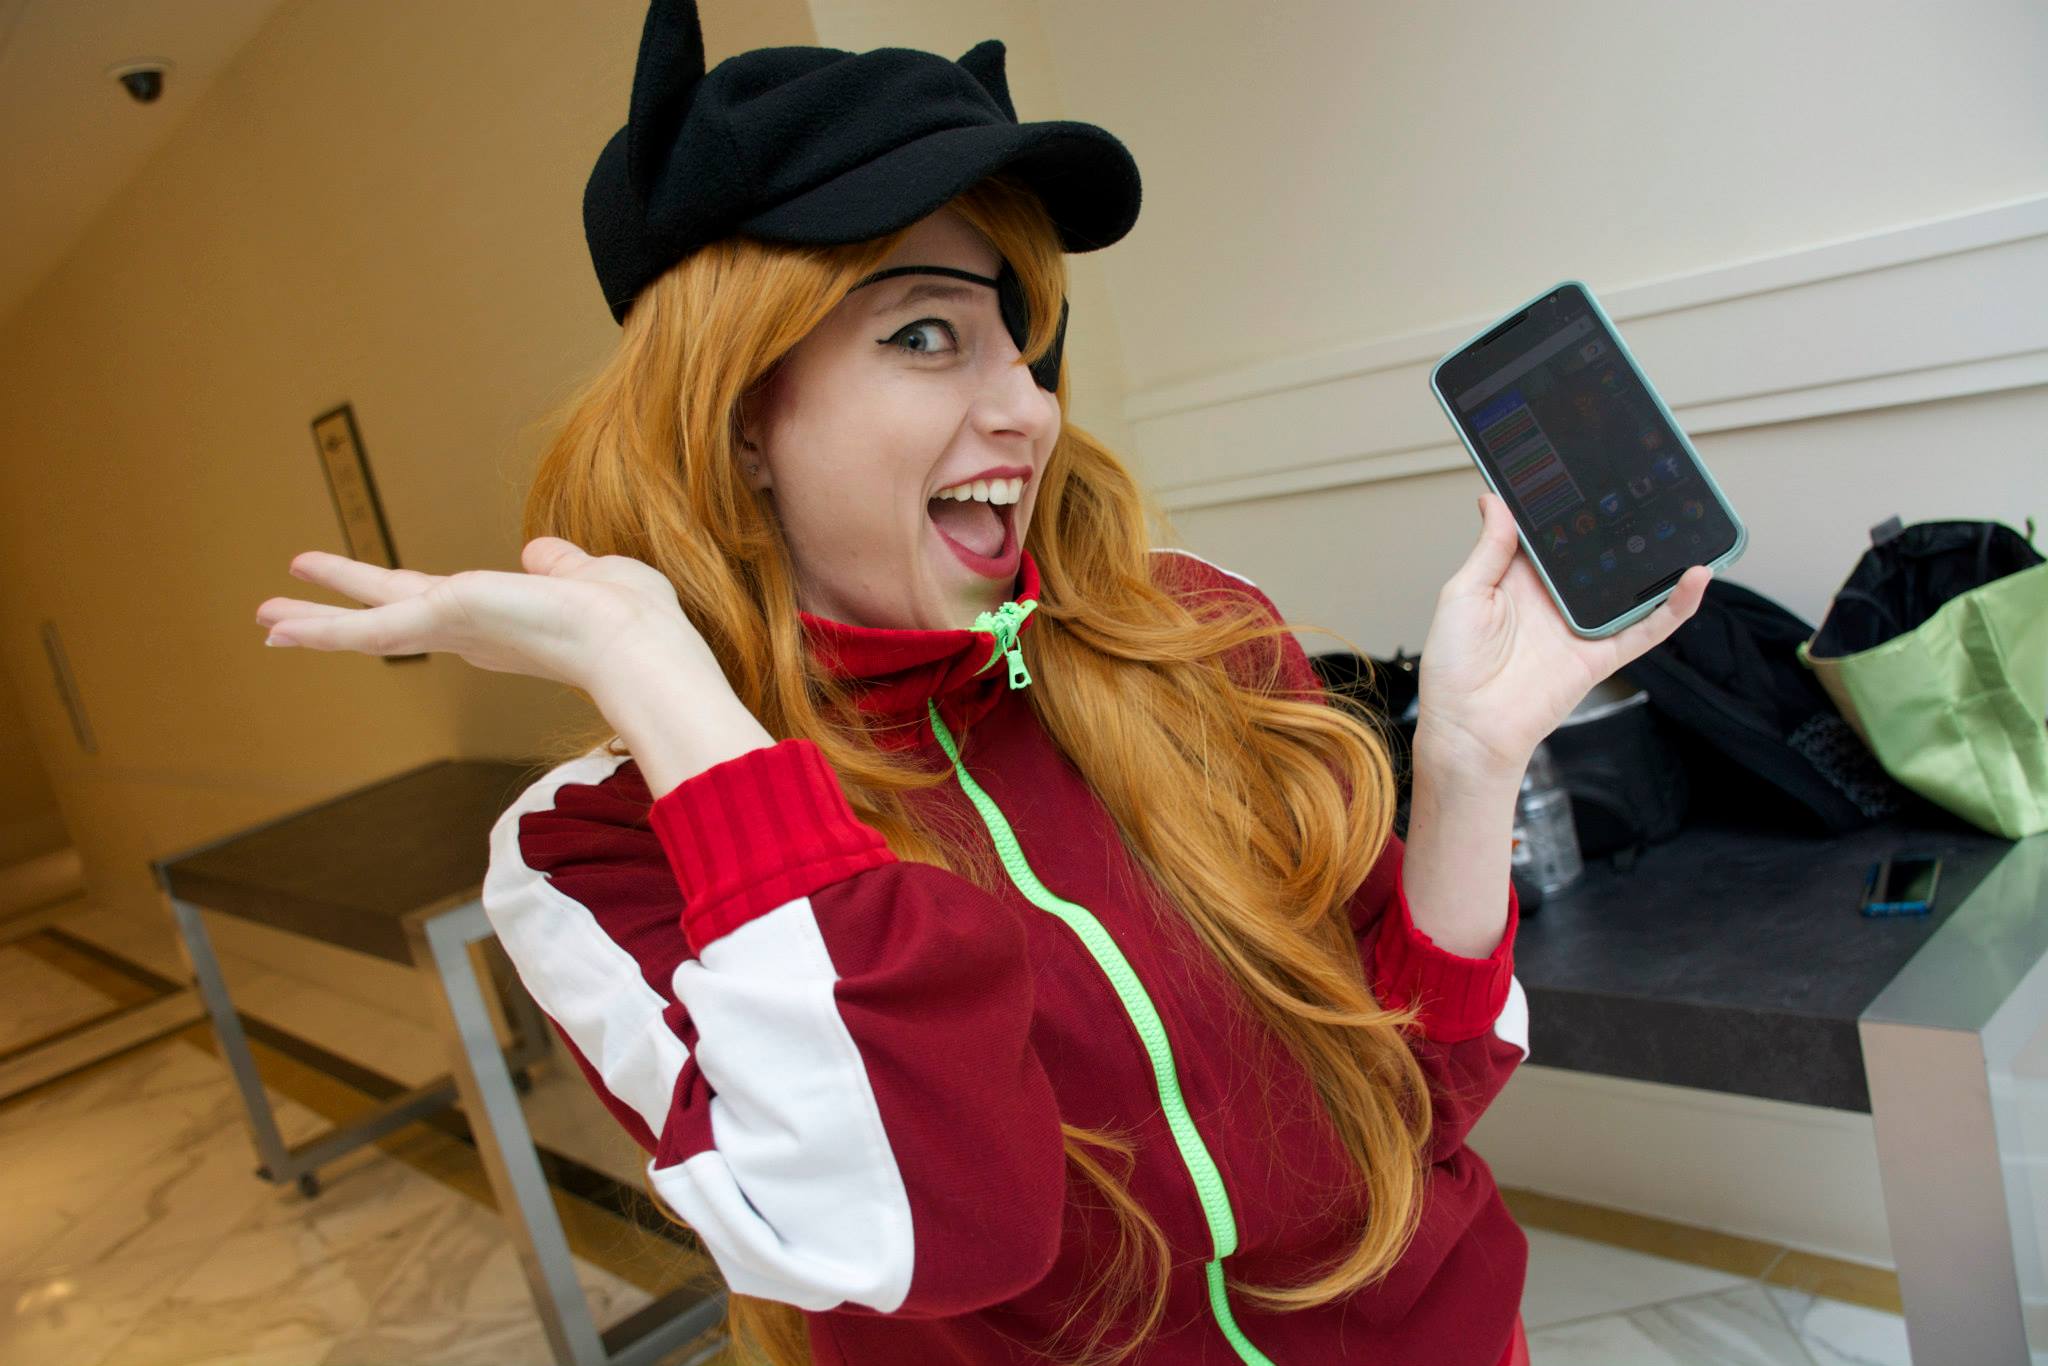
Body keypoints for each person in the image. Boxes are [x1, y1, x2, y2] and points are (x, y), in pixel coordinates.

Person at [253, 4, 1709, 1363]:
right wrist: (664, 683)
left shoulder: (1189, 629)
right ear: (739, 418)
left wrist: (1467, 765)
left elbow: (1427, 1092)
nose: (1027, 404)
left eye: (1021, 339)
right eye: (924, 334)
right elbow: (929, 1227)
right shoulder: (596, 849)